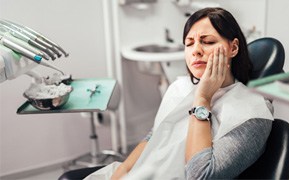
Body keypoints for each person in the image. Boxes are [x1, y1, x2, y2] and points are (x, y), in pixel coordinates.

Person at [84, 7, 274, 180]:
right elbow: (154, 136)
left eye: (207, 41)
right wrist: (121, 172)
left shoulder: (253, 112)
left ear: (233, 48)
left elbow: (200, 175)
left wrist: (203, 98)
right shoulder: (179, 88)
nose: (196, 51)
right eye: (189, 43)